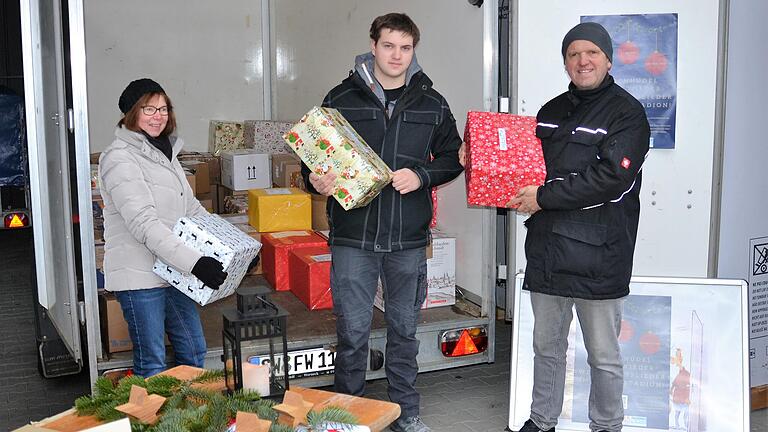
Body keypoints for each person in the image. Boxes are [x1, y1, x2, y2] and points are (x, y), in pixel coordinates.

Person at [302, 13, 463, 432]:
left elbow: (452, 158)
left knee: (404, 331)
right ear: (373, 46)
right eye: (389, 46)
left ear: (414, 50)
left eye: (405, 48)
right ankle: (346, 416)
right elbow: (311, 161)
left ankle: (405, 413)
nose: (397, 55)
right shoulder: (340, 98)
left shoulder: (432, 103)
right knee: (352, 333)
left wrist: (423, 175)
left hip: (408, 239)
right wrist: (315, 180)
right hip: (353, 237)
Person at [510, 22, 650, 432]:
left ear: (608, 59)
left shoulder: (628, 114)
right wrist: (480, 155)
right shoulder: (550, 112)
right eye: (574, 54)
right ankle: (541, 421)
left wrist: (543, 197)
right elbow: (524, 167)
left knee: (603, 354)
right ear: (566, 62)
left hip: (600, 254)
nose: (583, 61)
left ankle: (606, 426)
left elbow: (611, 179)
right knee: (546, 347)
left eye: (591, 53)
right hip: (548, 249)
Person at [98, 78, 228, 377]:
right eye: (149, 109)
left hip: (172, 273)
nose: (158, 116)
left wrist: (233, 250)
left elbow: (192, 209)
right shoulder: (120, 158)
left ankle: (189, 417)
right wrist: (195, 263)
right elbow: (144, 224)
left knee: (193, 350)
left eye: (163, 108)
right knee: (152, 363)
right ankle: (151, 422)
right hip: (140, 278)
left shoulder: (163, 154)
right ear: (131, 114)